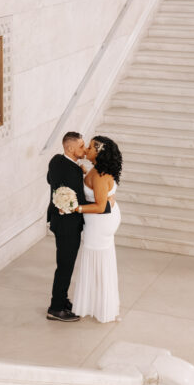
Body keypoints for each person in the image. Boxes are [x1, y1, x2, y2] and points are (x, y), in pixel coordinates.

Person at [71, 135, 122, 323]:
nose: (86, 150)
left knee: (96, 260)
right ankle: (96, 303)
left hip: (100, 223)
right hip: (102, 220)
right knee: (99, 259)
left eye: (90, 147)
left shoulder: (100, 176)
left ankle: (100, 306)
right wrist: (85, 172)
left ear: (99, 154)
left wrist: (76, 208)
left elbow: (100, 206)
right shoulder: (97, 170)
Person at [46, 131, 87, 322]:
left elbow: (50, 180)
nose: (84, 149)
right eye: (81, 146)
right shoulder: (74, 171)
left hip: (57, 222)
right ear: (69, 148)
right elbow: (78, 198)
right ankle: (56, 308)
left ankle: (62, 300)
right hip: (68, 225)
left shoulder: (55, 161)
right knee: (65, 266)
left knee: (64, 264)